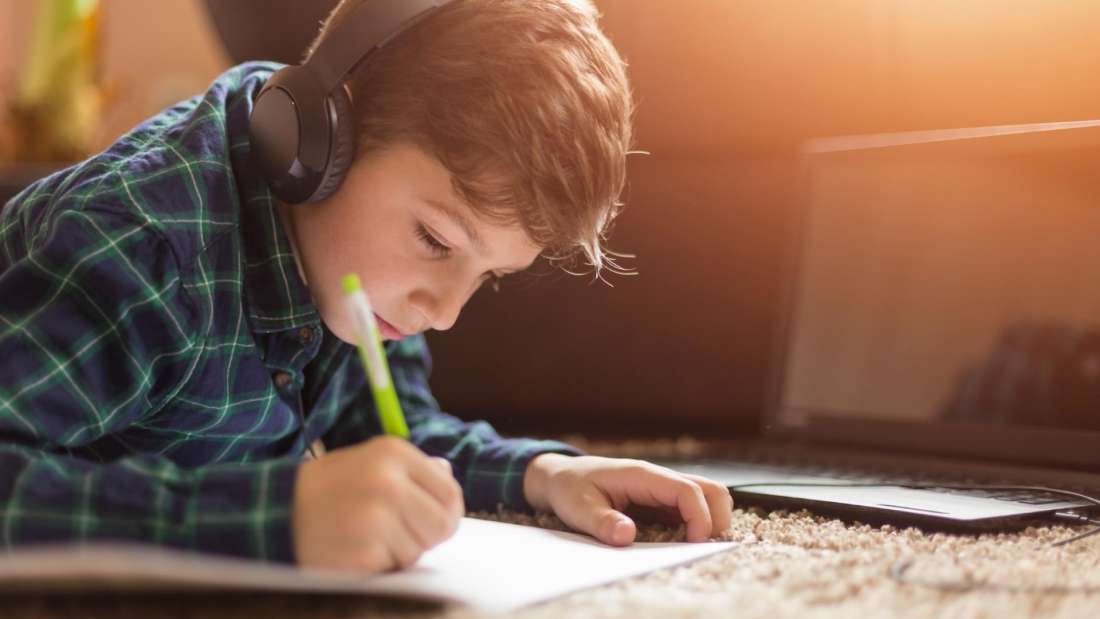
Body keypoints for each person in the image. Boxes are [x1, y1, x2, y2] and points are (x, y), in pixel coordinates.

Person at [0, 0, 732, 573]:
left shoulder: (353, 278)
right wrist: (270, 520)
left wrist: (545, 475)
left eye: (489, 276)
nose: (444, 311)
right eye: (436, 241)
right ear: (316, 139)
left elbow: (398, 434)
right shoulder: (142, 252)